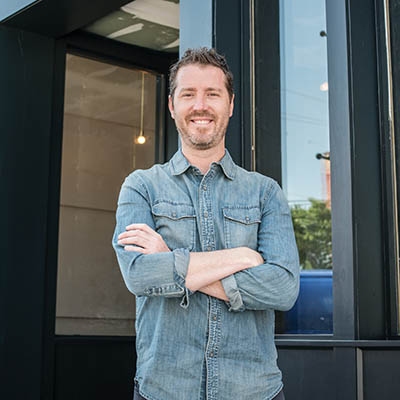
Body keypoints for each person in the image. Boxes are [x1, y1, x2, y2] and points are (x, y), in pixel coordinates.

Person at [113, 47, 299, 400]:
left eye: (212, 94)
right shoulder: (141, 186)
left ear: (230, 105)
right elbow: (139, 275)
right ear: (172, 105)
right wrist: (245, 255)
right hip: (164, 390)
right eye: (188, 94)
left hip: (254, 391)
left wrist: (172, 260)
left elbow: (283, 288)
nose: (200, 105)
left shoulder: (264, 193)